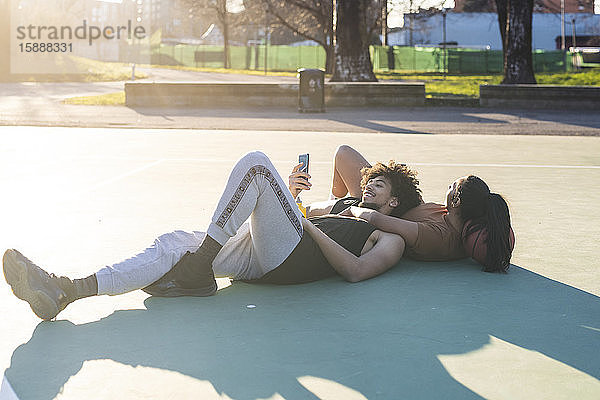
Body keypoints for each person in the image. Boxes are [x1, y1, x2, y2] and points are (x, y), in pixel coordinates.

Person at [3, 150, 422, 321]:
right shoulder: (346, 207)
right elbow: (293, 215)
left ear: (395, 202)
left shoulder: (390, 238)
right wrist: (292, 196)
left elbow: (354, 270)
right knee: (171, 243)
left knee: (258, 164)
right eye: (368, 182)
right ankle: (66, 290)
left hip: (291, 259)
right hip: (268, 251)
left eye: (379, 186)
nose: (367, 187)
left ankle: (199, 268)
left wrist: (306, 223)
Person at [329, 145, 515, 273]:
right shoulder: (456, 217)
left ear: (457, 202)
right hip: (396, 203)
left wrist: (354, 208)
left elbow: (375, 218)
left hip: (379, 206)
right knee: (343, 152)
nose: (448, 188)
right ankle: (335, 197)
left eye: (452, 186)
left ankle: (334, 200)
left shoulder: (437, 236)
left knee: (343, 153)